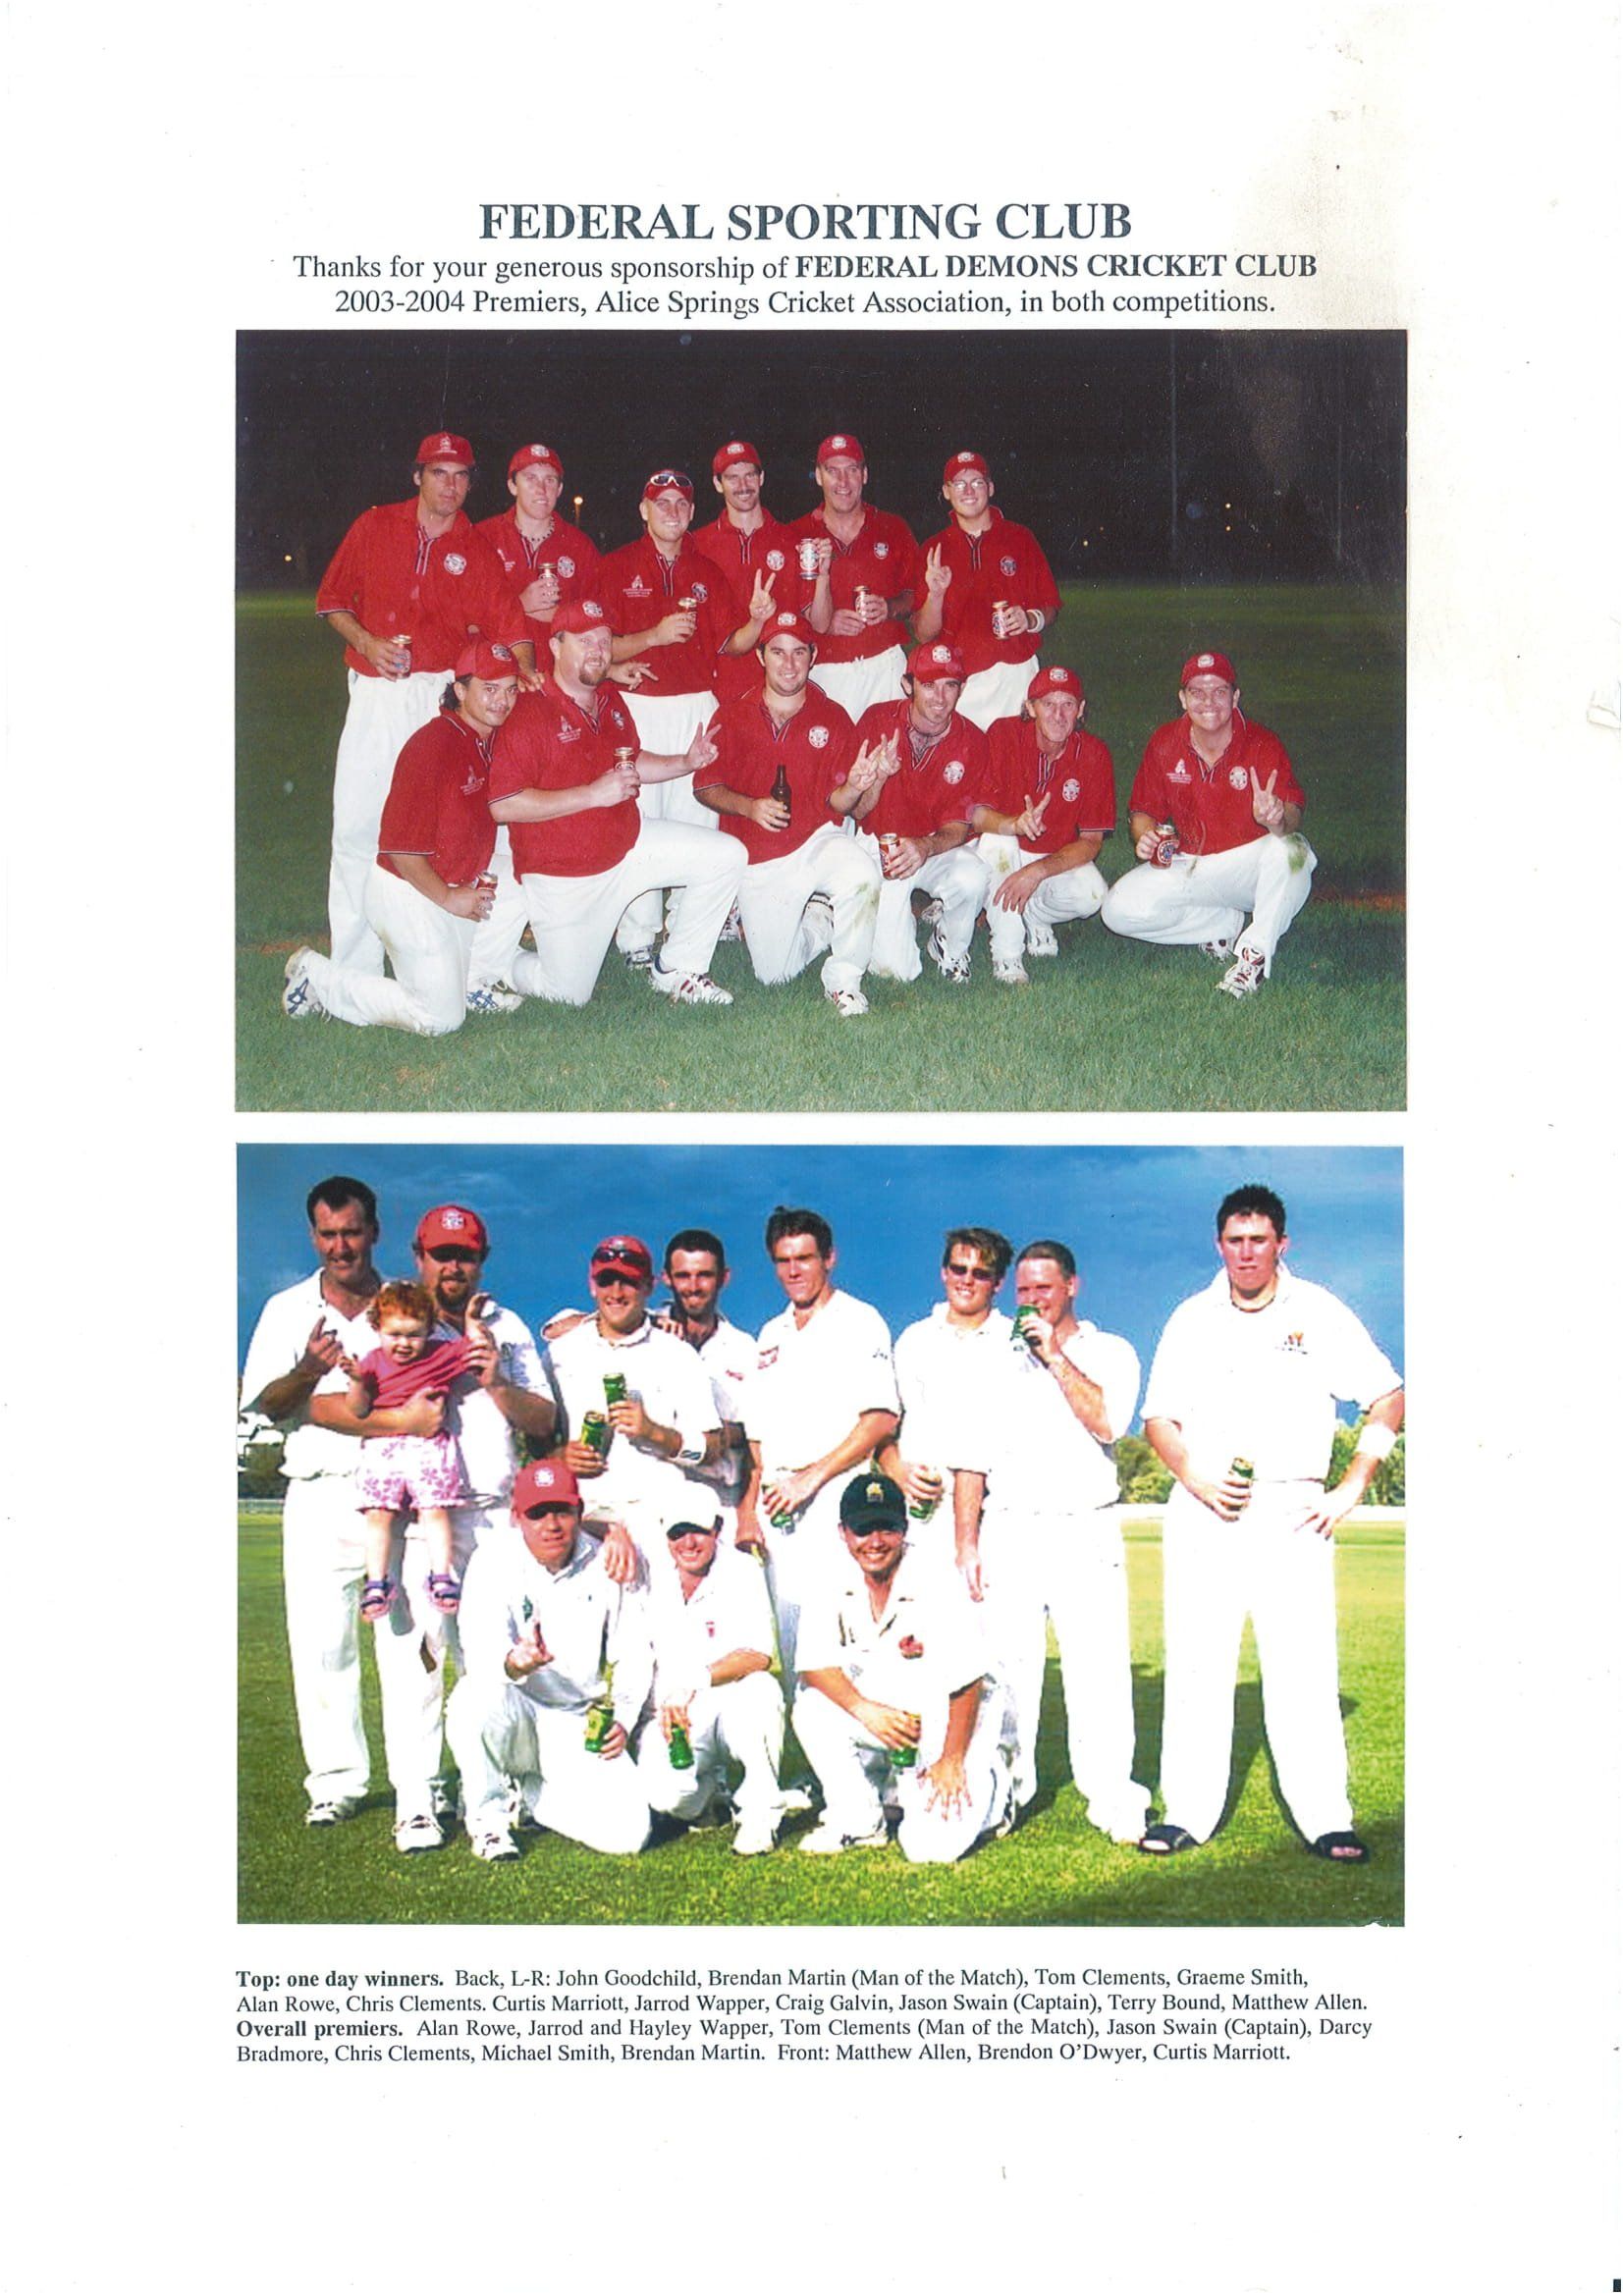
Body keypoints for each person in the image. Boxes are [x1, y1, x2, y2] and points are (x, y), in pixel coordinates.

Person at [1139, 1184, 1404, 1862]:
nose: (1247, 1251)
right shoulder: (1191, 1317)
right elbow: (1158, 1420)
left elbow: (1387, 1396)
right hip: (1203, 1507)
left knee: (1303, 1666)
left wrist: (1351, 1485)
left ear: (1281, 1244)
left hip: (1293, 1511)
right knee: (1198, 1664)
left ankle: (1325, 1817)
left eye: (1259, 1239)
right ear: (1218, 1244)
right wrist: (1197, 1479)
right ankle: (1187, 1813)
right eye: (1235, 1239)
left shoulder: (1317, 1311)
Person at [302, 1199, 566, 1850]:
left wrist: (497, 1381)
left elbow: (544, 1421)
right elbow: (332, 1406)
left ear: (480, 1259)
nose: (453, 1265)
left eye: (465, 1254)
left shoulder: (504, 1324)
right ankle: (416, 1802)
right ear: (419, 1257)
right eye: (441, 1254)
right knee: (414, 1664)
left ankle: (498, 1795)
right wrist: (399, 1422)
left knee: (496, 1664)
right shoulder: (391, 1317)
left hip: (492, 1517)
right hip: (420, 1520)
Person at [240, 1177, 457, 1842]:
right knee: (322, 1645)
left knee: (413, 1644)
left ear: (374, 1231)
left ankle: (421, 1788)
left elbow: (450, 1372)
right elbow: (267, 1407)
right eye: (328, 1234)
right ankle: (336, 1782)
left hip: (398, 1492)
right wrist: (309, 1368)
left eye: (352, 1232)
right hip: (318, 1489)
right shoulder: (285, 1308)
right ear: (314, 1236)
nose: (341, 1246)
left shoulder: (402, 1303)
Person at [958, 1240, 1151, 1842]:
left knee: (1099, 1670)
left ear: (1072, 1286)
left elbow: (1109, 1421)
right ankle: (1006, 1792)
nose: (1033, 1299)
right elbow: (972, 1459)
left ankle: (1113, 1798)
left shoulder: (1110, 1351)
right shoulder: (993, 1359)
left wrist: (1054, 1358)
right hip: (1011, 1525)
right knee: (1008, 1672)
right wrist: (967, 1544)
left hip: (1083, 1524)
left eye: (1045, 1287)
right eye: (1024, 1289)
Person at [315, 432, 528, 973]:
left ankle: (424, 952)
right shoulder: (374, 526)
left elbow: (511, 626)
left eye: (461, 476)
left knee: (435, 828)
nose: (450, 486)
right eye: (439, 472)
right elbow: (334, 601)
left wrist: (526, 672)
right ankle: (352, 967)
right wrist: (367, 642)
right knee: (359, 826)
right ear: (417, 476)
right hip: (377, 694)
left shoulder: (475, 548)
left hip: (437, 702)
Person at [486, 600, 744, 1007]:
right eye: (584, 640)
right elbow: (503, 803)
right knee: (568, 994)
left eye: (605, 641)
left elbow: (631, 759)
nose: (598, 650)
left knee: (726, 855)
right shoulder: (527, 709)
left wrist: (685, 762)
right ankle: (501, 964)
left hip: (629, 844)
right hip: (567, 873)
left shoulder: (608, 698)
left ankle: (678, 967)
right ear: (555, 646)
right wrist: (592, 795)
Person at [282, 641, 519, 1033]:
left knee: (526, 874)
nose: (503, 700)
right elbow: (400, 850)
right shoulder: (434, 745)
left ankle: (473, 982)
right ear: (460, 690)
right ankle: (319, 978)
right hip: (407, 890)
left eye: (510, 689)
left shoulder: (484, 736)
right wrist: (448, 899)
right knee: (440, 1019)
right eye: (489, 688)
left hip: (451, 882)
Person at [600, 468, 779, 961]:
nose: (673, 512)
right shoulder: (617, 565)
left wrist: (758, 621)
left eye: (681, 504)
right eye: (662, 504)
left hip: (696, 703)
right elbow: (599, 643)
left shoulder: (706, 571)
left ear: (693, 512)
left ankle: (687, 926)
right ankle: (637, 935)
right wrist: (653, 637)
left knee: (695, 815)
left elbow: (732, 643)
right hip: (639, 705)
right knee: (639, 817)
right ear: (644, 510)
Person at [793, 1472, 1012, 1860]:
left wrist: (952, 1760)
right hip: (892, 1715)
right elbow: (813, 1664)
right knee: (812, 1707)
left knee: (929, 1848)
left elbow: (968, 1680)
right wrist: (864, 1710)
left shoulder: (937, 1576)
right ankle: (860, 1821)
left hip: (953, 1723)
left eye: (886, 1528)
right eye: (863, 1530)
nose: (875, 1542)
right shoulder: (827, 1575)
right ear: (844, 1532)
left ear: (904, 1527)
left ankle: (994, 1786)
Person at [447, 1461, 654, 1861]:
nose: (551, 1524)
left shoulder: (604, 1562)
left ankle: (530, 1796)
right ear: (516, 1516)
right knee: (471, 1698)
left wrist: (625, 1721)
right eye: (537, 1513)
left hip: (575, 1719)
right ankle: (488, 1824)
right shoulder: (492, 1559)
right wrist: (514, 1662)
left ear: (579, 1512)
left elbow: (633, 1653)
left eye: (561, 1511)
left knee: (629, 1835)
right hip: (515, 1709)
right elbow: (478, 1647)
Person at [693, 609, 884, 1019]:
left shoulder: (832, 715)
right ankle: (818, 923)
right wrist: (749, 806)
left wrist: (855, 784)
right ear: (761, 657)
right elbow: (705, 787)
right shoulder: (732, 713)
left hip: (816, 841)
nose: (789, 664)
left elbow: (839, 802)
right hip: (760, 859)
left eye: (799, 652)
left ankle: (845, 981)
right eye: (778, 652)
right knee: (773, 976)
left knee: (862, 874)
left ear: (813, 656)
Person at [735, 1207, 900, 1680]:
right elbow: (757, 1437)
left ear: (829, 1258)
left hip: (834, 1496)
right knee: (792, 1642)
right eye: (783, 1260)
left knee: (843, 1639)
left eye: (804, 1258)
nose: (793, 1271)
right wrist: (754, 1504)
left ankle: (869, 1745)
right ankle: (813, 1748)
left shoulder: (859, 1321)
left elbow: (880, 1418)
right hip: (779, 1502)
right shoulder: (771, 1334)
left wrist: (810, 1479)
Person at [1100, 650, 1315, 997]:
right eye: (1197, 692)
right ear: (1183, 699)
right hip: (1192, 864)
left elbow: (1292, 815)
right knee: (1117, 911)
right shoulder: (1166, 741)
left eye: (1219, 691)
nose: (1208, 701)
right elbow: (1142, 812)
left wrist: (1276, 818)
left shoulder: (1262, 742)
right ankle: (1220, 926)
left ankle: (1252, 957)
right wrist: (1145, 837)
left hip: (1247, 865)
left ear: (1235, 697)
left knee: (1293, 851)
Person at [546, 1234, 726, 1567]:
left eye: (628, 1281)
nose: (616, 1293)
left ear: (649, 1286)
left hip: (659, 1523)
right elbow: (535, 1443)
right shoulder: (560, 1355)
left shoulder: (678, 1354)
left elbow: (712, 1448)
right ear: (591, 1285)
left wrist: (654, 1433)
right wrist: (561, 1456)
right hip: (585, 1522)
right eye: (606, 1280)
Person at [836, 643, 991, 985]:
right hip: (881, 848)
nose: (940, 697)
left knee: (973, 876)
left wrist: (924, 847)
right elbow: (858, 811)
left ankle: (950, 947)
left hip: (934, 848)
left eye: (950, 685)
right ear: (908, 685)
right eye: (929, 684)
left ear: (962, 689)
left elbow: (958, 827)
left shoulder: (973, 740)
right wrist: (877, 779)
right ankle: (877, 915)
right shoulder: (877, 719)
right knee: (897, 972)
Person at [640, 1515, 788, 1856]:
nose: (688, 1543)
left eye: (698, 1531)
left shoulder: (742, 1569)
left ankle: (760, 1814)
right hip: (677, 1711)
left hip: (733, 1694)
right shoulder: (652, 1575)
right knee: (665, 1797)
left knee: (763, 1689)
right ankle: (710, 1798)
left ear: (717, 1530)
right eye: (679, 1532)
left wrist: (696, 1680)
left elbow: (759, 1655)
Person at [881, 1226, 1019, 1576]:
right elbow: (882, 1426)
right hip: (920, 1519)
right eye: (959, 1269)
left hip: (995, 1523)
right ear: (944, 1272)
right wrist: (899, 1472)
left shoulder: (1016, 1345)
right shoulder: (913, 1340)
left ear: (999, 1282)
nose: (967, 1281)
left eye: (981, 1273)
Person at [969, 665, 1116, 986]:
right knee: (998, 844)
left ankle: (1034, 917)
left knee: (1093, 895)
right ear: (1030, 707)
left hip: (1050, 859)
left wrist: (1037, 872)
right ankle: (1007, 953)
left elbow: (1091, 841)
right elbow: (977, 816)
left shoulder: (1094, 753)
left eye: (1067, 705)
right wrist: (1014, 824)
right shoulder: (1003, 734)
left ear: (1081, 710)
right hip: (1004, 850)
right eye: (1048, 704)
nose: (1058, 715)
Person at [343, 1277, 476, 1621]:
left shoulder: (441, 1354)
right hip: (383, 1446)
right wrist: (357, 1381)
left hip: (427, 1445)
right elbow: (357, 1410)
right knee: (378, 1514)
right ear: (377, 1329)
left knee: (434, 1510)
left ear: (430, 1330)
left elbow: (473, 1348)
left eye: (414, 1335)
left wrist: (474, 1322)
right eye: (395, 1335)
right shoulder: (371, 1362)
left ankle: (441, 1575)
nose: (404, 1344)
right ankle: (377, 1581)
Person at [914, 450, 1060, 729]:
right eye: (959, 484)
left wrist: (1030, 619)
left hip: (1016, 674)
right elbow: (924, 634)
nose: (968, 491)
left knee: (1015, 767)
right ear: (946, 491)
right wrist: (935, 595)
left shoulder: (1020, 538)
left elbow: (1050, 608)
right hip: (961, 682)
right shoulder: (934, 550)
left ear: (990, 488)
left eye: (977, 482)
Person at [789, 434, 922, 717]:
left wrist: (889, 607)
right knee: (833, 759)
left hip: (885, 666)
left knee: (891, 756)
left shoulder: (892, 527)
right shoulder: (796, 534)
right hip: (824, 670)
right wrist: (822, 622)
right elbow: (786, 609)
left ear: (864, 475)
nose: (843, 482)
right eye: (832, 471)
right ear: (818, 476)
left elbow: (916, 594)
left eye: (851, 470)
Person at [689, 440, 801, 706]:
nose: (743, 486)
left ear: (761, 478)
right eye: (732, 478)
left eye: (750, 475)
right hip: (719, 685)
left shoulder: (790, 540)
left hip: (783, 681)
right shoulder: (697, 545)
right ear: (718, 484)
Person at [475, 441, 602, 648]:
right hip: (497, 673)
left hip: (556, 674)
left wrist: (563, 617)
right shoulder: (483, 537)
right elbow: (462, 618)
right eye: (531, 478)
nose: (541, 489)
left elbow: (598, 618)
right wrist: (520, 604)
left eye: (550, 480)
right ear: (512, 486)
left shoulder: (580, 546)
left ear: (559, 489)